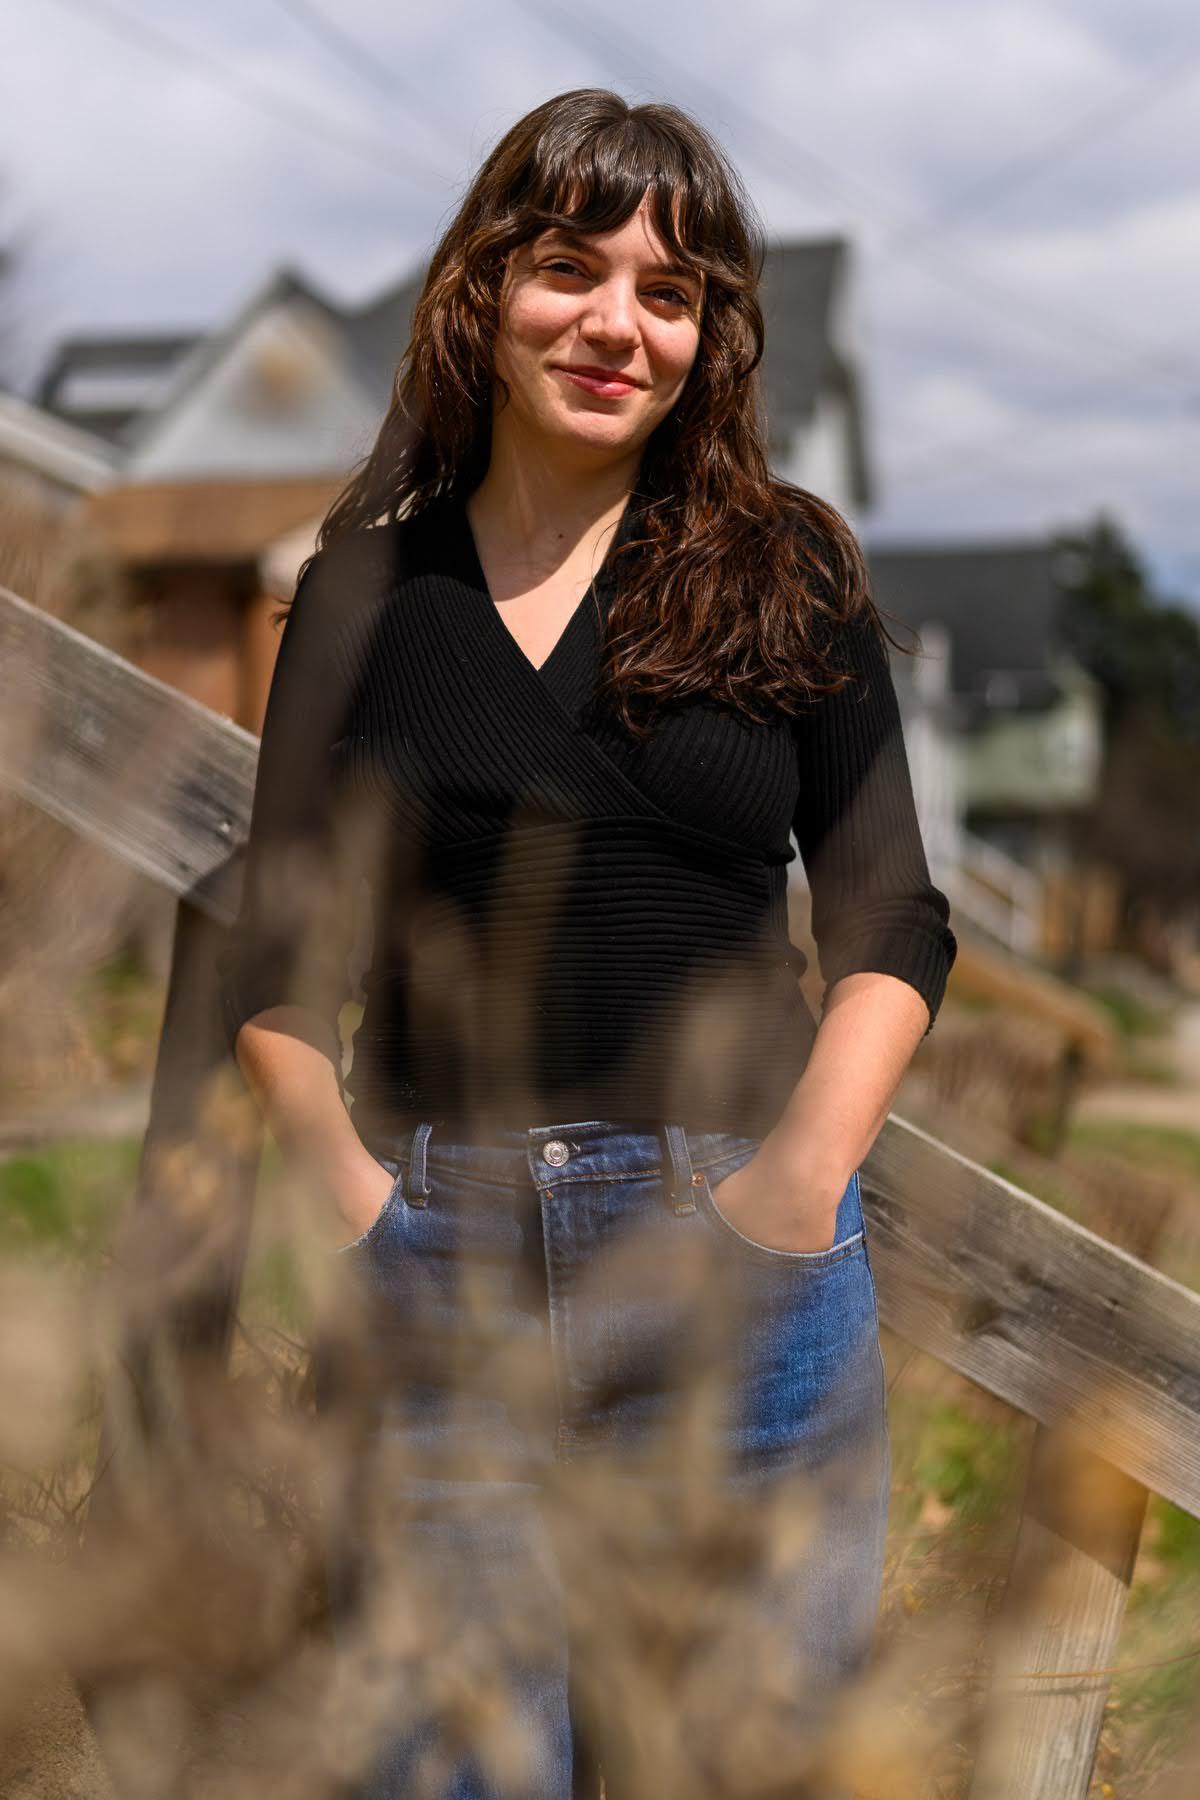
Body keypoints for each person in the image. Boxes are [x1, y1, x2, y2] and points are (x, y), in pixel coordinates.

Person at [216, 87, 956, 1800]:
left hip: (737, 1265)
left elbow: (891, 919)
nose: (619, 322)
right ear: (485, 286)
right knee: (451, 1772)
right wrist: (360, 1207)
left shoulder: (788, 578)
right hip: (439, 1270)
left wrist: (793, 1192)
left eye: (673, 290)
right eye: (572, 267)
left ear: (713, 337)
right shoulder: (363, 602)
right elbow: (272, 951)